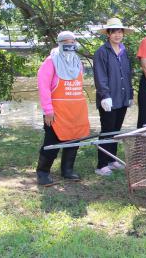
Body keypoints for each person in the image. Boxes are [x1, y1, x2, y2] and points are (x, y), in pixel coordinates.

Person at [35, 31, 90, 186]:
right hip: (56, 112)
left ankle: (67, 170)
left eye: (72, 41)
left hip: (75, 111)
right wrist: (48, 110)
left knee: (74, 140)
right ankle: (43, 172)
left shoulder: (77, 62)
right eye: (65, 41)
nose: (69, 44)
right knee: (52, 142)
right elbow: (43, 87)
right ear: (59, 43)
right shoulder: (50, 61)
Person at [93, 18, 134, 177]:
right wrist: (104, 95)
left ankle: (111, 159)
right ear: (108, 34)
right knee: (107, 130)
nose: (117, 35)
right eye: (114, 32)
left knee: (116, 130)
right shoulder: (102, 52)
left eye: (120, 31)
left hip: (122, 97)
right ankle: (101, 164)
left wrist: (130, 94)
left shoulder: (124, 52)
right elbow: (100, 75)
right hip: (108, 98)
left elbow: (127, 74)